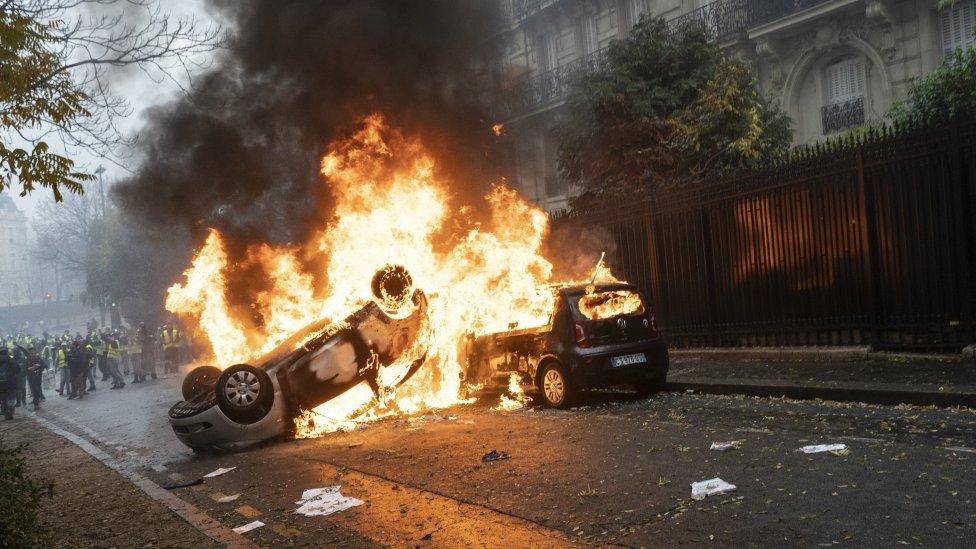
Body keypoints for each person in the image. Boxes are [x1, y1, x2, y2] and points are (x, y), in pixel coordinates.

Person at [0, 348, 16, 419]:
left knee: (3, 397)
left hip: (1, 382)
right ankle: (10, 410)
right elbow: (18, 368)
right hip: (10, 382)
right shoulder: (11, 359)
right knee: (11, 396)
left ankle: (5, 410)